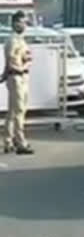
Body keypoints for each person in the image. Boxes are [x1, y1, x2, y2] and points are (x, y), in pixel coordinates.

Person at [1, 11, 33, 154]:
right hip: (17, 77)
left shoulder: (21, 39)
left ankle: (8, 141)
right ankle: (20, 142)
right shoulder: (13, 40)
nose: (25, 25)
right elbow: (12, 61)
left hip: (21, 77)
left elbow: (26, 57)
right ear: (15, 23)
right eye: (23, 22)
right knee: (19, 110)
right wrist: (22, 66)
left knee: (13, 111)